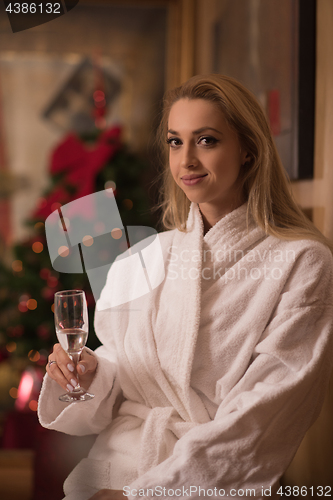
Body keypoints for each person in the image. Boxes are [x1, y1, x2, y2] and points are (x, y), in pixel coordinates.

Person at [38, 74, 333, 500]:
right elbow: (118, 373)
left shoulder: (302, 262)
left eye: (207, 140)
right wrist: (87, 371)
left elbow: (263, 417)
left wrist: (142, 495)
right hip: (108, 473)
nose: (187, 160)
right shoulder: (141, 259)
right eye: (176, 142)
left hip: (204, 485)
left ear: (248, 150)